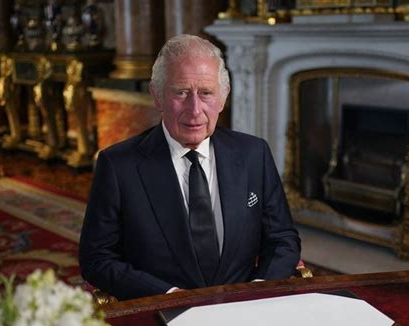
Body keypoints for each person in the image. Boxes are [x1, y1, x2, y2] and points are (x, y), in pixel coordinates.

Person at [79, 34, 301, 301]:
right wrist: (168, 296)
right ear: (157, 96)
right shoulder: (118, 165)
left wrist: (258, 289)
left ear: (223, 98)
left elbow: (282, 238)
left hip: (244, 307)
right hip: (161, 310)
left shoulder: (254, 153)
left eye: (206, 93)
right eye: (181, 92)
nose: (195, 110)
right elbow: (96, 258)